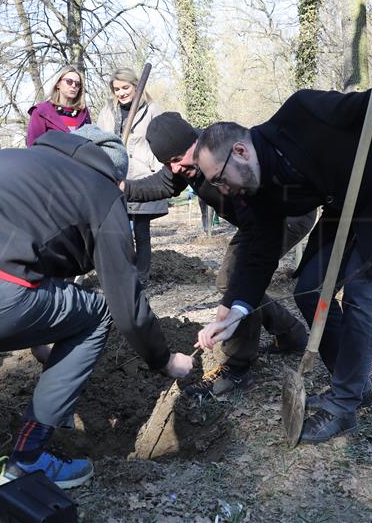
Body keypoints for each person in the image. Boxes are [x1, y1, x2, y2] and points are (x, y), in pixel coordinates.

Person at [0, 130, 194, 495]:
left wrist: (43, 335)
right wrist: (164, 359)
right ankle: (30, 455)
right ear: (115, 174)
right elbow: (125, 301)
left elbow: (31, 256)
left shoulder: (15, 161)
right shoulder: (102, 190)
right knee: (97, 313)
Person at [192, 38, 372, 444]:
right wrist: (236, 308)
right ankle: (353, 382)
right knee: (309, 289)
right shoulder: (255, 190)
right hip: (346, 204)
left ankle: (344, 404)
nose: (222, 190)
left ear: (240, 150)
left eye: (220, 178)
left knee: (361, 293)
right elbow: (258, 252)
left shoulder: (301, 113)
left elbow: (371, 107)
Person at [122, 112, 315, 398]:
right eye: (167, 163)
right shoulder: (184, 164)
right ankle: (290, 333)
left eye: (177, 159)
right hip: (254, 223)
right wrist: (123, 188)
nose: (174, 169)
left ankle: (238, 364)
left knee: (233, 281)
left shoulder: (218, 152)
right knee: (236, 286)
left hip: (286, 215)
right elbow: (162, 184)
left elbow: (257, 231)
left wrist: (233, 300)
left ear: (194, 142)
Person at [97, 67, 165, 286]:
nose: (121, 93)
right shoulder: (108, 109)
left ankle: (141, 278)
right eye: (116, 89)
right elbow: (99, 139)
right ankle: (123, 275)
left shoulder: (151, 108)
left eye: (125, 87)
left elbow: (161, 140)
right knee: (119, 231)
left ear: (136, 86)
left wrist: (157, 169)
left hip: (141, 175)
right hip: (114, 176)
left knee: (142, 232)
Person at [26, 65, 91, 146]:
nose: (74, 86)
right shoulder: (41, 111)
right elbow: (33, 146)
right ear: (58, 84)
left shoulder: (83, 112)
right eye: (69, 81)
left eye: (77, 84)